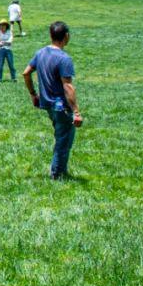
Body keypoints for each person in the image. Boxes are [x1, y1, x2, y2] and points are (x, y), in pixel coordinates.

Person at [23, 21, 83, 180]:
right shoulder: (64, 58)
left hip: (47, 104)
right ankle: (57, 175)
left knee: (61, 138)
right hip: (61, 106)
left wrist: (33, 94)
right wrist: (76, 112)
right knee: (64, 142)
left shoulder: (40, 53)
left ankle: (60, 170)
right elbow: (68, 87)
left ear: (51, 35)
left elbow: (26, 73)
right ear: (66, 37)